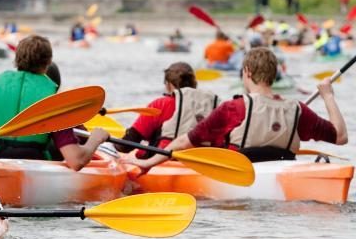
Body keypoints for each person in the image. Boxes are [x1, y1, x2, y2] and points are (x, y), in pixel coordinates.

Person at [130, 48, 347, 166]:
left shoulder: (234, 108)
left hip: (239, 173)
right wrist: (328, 95)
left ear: (247, 73)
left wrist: (148, 163)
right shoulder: (298, 109)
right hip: (282, 168)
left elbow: (186, 141)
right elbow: (340, 137)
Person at [0, 35, 110, 170]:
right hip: (34, 163)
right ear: (49, 62)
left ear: (16, 60)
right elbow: (76, 161)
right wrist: (95, 139)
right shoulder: (53, 100)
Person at [116, 63, 218, 159]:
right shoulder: (212, 107)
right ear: (194, 84)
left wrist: (111, 145)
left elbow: (128, 144)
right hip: (200, 163)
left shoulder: (161, 105)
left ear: (169, 85)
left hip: (163, 161)